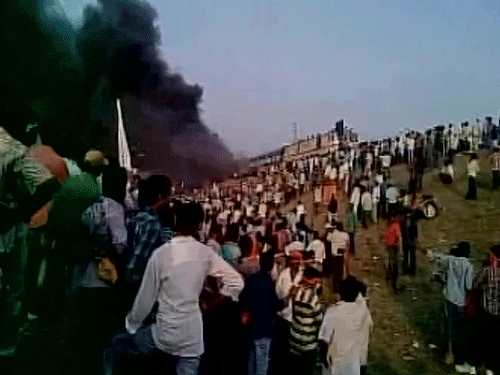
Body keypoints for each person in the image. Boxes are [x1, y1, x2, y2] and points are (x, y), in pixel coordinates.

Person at [103, 202, 244, 375]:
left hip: (164, 334)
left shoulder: (161, 254)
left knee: (116, 344)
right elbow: (236, 281)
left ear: (176, 221)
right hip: (192, 338)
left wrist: (131, 324)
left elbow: (145, 299)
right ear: (200, 225)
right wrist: (211, 304)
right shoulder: (205, 253)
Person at [121, 175, 173, 312]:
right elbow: (134, 266)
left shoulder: (132, 218)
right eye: (169, 196)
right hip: (138, 294)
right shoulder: (152, 225)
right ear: (161, 196)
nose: (170, 201)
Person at [319, 276, 373, 375]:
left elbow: (324, 340)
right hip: (355, 366)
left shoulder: (333, 312)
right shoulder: (364, 312)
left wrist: (324, 360)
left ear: (341, 293)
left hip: (335, 366)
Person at [435, 242, 475, 374]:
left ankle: (446, 352)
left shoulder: (451, 261)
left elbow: (439, 259)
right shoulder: (469, 266)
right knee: (458, 329)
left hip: (449, 298)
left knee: (447, 325)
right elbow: (469, 286)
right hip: (460, 301)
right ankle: (453, 354)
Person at [241, 252, 282, 375]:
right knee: (262, 363)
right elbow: (276, 303)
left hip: (252, 326)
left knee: (252, 360)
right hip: (265, 326)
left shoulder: (252, 278)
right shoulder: (270, 282)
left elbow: (245, 299)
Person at [289, 266, 324, 375]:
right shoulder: (313, 299)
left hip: (294, 341)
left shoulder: (295, 292)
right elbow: (319, 320)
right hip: (308, 344)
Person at [473, 245, 500, 375]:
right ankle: (492, 367)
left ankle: (480, 363)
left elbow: (475, 283)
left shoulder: (488, 271)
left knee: (482, 338)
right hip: (498, 313)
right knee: (495, 341)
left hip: (486, 309)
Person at [385, 215, 402, 291]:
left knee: (390, 260)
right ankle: (394, 284)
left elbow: (386, 236)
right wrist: (399, 246)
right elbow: (398, 236)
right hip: (394, 246)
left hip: (389, 245)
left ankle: (388, 275)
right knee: (395, 264)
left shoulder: (389, 226)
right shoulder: (396, 226)